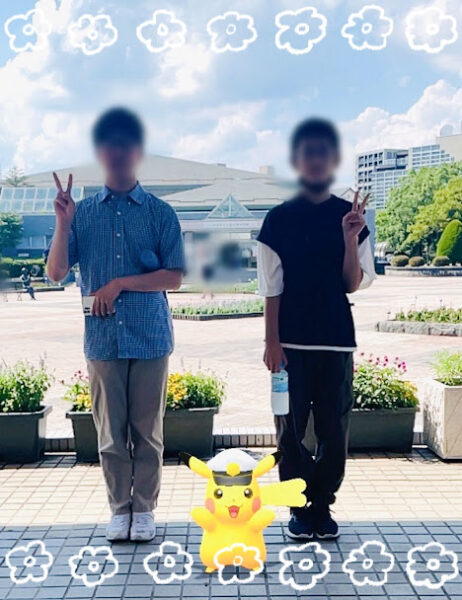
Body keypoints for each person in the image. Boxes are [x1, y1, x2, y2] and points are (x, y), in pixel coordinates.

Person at [47, 108, 185, 542]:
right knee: (109, 433)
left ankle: (143, 508)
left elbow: (174, 277)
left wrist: (121, 283)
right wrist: (63, 222)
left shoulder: (160, 213)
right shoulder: (83, 213)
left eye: (126, 144)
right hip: (103, 338)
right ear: (101, 153)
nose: (118, 152)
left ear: (138, 152)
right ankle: (118, 509)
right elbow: (55, 272)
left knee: (148, 431)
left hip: (150, 338)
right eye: (110, 145)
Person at [257, 118, 376, 540]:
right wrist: (271, 342)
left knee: (334, 427)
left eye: (323, 153)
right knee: (289, 428)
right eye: (308, 153)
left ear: (332, 161)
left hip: (336, 341)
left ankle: (322, 504)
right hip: (290, 344)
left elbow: (351, 283)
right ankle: (297, 507)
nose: (315, 160)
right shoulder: (278, 219)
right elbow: (271, 288)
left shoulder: (351, 217)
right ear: (297, 161)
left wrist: (349, 238)